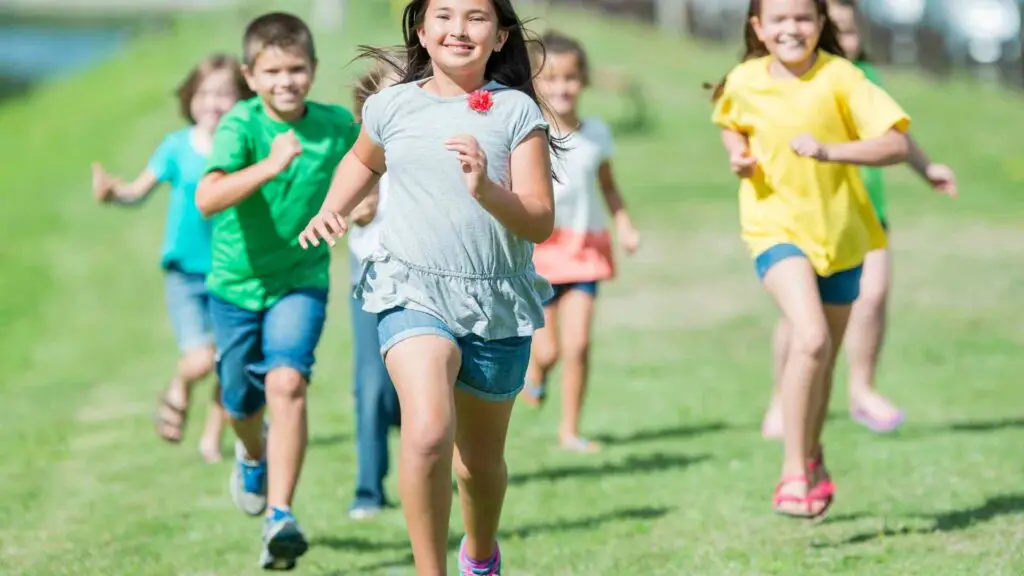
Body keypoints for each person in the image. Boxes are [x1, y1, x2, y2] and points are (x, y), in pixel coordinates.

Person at [297, 1, 556, 572]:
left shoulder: (516, 113)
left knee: (479, 466)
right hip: (410, 288)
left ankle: (480, 553)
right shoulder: (391, 105)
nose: (458, 29)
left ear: (500, 35)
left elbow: (539, 220)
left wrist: (487, 189)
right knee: (428, 431)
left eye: (475, 17)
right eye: (443, 14)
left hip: (495, 301)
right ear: (420, 27)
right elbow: (362, 162)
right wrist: (331, 209)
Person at [709, 0, 938, 519]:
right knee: (808, 337)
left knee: (824, 358)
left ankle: (812, 453)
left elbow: (895, 144)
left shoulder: (843, 78)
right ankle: (793, 470)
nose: (792, 28)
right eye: (779, 19)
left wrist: (831, 151)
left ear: (820, 26)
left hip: (843, 235)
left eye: (803, 18)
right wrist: (736, 154)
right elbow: (729, 119)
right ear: (758, 28)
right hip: (774, 228)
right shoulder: (743, 79)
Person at [194, 12, 360, 570]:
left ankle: (280, 516)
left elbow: (370, 184)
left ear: (312, 69)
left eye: (296, 69)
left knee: (288, 383)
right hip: (236, 286)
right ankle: (251, 450)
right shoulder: (240, 126)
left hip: (301, 281)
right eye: (272, 71)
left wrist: (356, 210)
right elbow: (208, 198)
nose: (286, 81)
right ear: (250, 74)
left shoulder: (337, 126)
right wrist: (270, 165)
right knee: (240, 398)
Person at [759, 0, 958, 440]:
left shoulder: (865, 78)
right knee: (799, 318)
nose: (846, 42)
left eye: (851, 32)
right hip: (808, 219)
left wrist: (927, 169)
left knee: (872, 299)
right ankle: (780, 397)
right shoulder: (799, 80)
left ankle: (862, 389)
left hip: (867, 215)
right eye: (838, 32)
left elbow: (896, 134)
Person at [91, 54, 251, 463]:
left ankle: (212, 440)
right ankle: (179, 385)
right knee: (200, 359)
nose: (214, 104)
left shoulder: (245, 145)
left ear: (242, 98)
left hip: (233, 269)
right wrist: (113, 193)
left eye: (224, 95)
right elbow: (138, 191)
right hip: (185, 274)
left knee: (227, 363)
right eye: (205, 94)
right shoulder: (176, 147)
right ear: (190, 98)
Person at [520, 31, 641, 454]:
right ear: (535, 84)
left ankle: (570, 429)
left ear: (584, 81)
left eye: (570, 78)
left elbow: (609, 187)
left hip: (586, 251)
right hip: (542, 253)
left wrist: (624, 223)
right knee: (549, 349)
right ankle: (535, 373)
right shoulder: (527, 134)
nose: (561, 88)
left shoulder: (597, 135)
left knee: (580, 344)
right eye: (550, 79)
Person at [345, 60, 403, 521]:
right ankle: (368, 489)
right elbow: (353, 209)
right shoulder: (361, 153)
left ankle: (435, 464)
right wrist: (358, 207)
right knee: (371, 388)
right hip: (371, 282)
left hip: (431, 284)